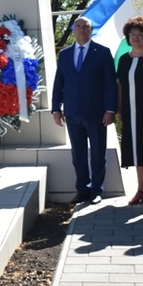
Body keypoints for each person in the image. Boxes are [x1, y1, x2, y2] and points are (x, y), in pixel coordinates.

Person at [52, 16, 118, 204]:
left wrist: (111, 109)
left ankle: (96, 190)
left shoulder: (102, 52)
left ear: (91, 29)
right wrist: (56, 108)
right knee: (78, 154)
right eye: (78, 26)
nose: (82, 29)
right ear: (73, 30)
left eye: (85, 26)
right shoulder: (65, 54)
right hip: (72, 113)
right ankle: (82, 189)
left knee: (98, 153)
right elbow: (59, 83)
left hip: (97, 113)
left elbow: (110, 84)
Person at [116, 16, 143, 209]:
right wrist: (119, 109)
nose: (135, 37)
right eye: (132, 34)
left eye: (139, 34)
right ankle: (140, 189)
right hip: (129, 112)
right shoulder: (124, 59)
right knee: (136, 151)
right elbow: (120, 86)